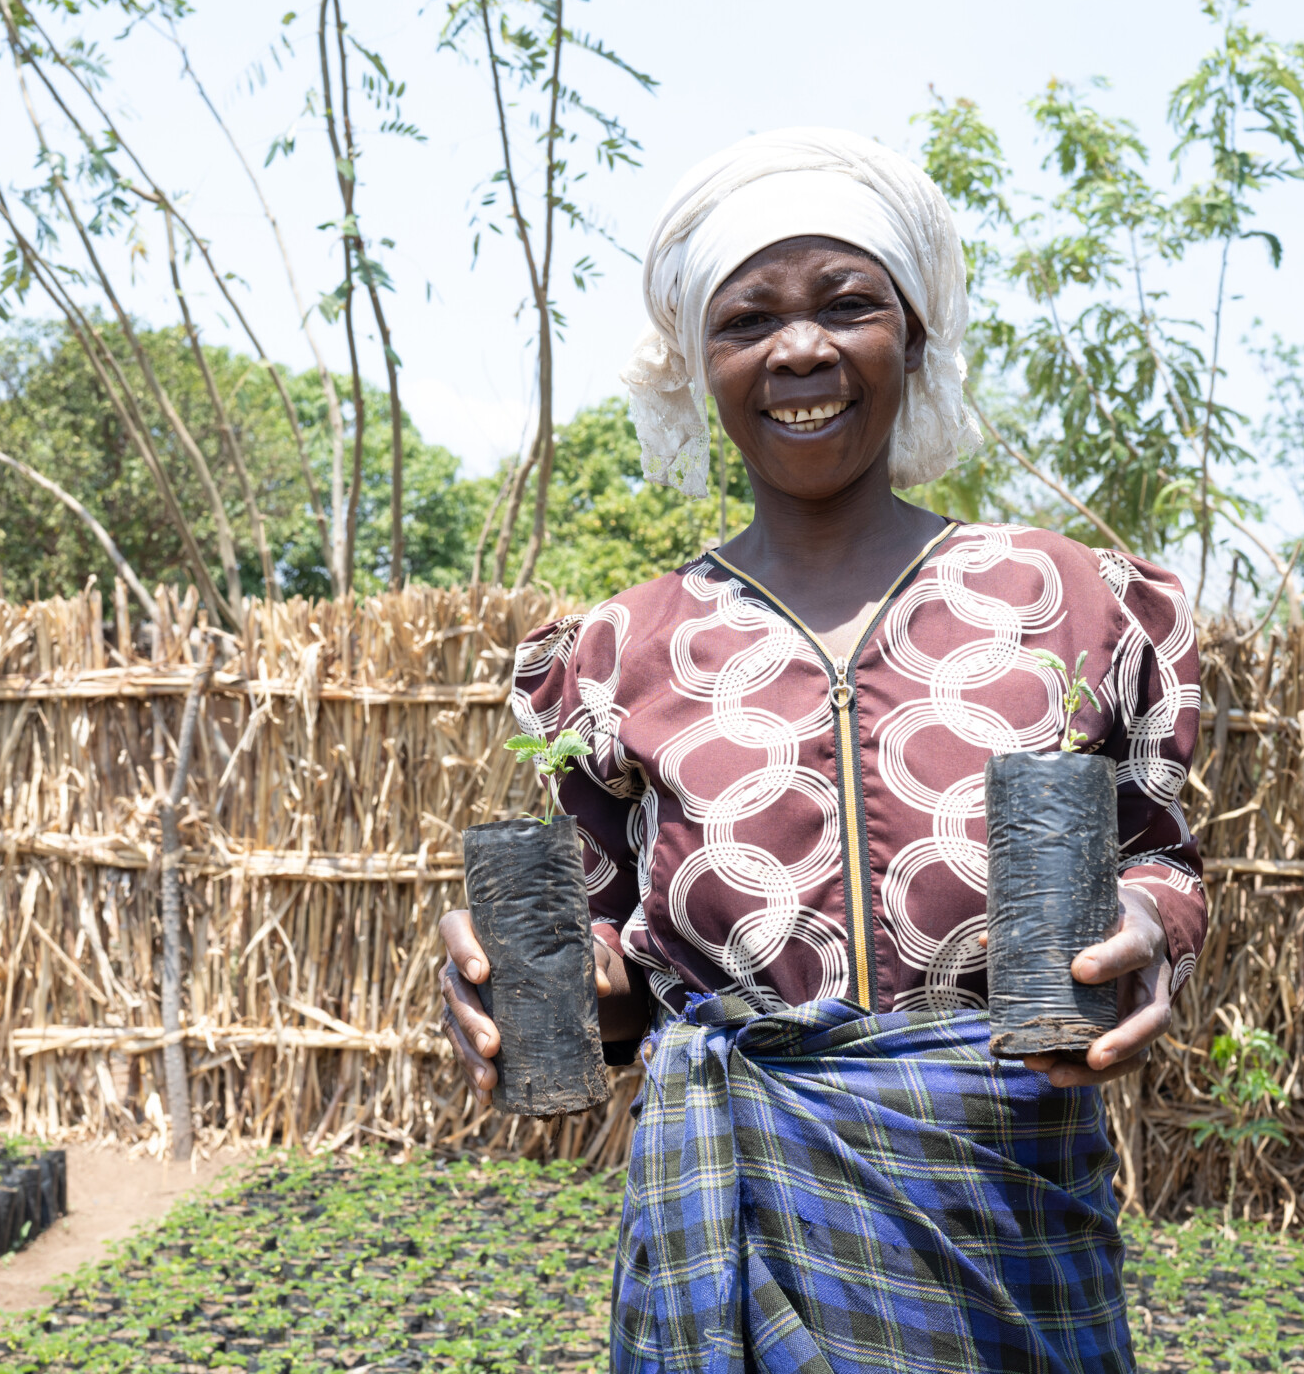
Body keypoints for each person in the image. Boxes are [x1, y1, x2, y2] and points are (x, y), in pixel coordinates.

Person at [437, 127, 1204, 1373]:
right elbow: (608, 948)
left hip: (1001, 1204)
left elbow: (1161, 856)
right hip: (729, 1213)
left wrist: (1146, 924)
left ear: (913, 335)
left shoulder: (1064, 599)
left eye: (847, 304)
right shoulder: (625, 646)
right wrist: (517, 970)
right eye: (748, 320)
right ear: (697, 367)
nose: (800, 348)